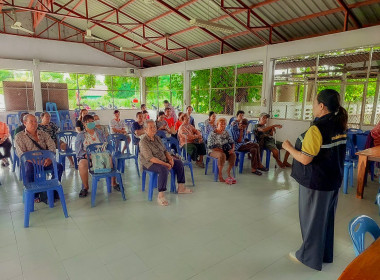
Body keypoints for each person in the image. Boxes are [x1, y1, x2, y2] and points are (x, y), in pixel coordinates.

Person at [282, 89, 348, 271]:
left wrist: (288, 147)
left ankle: (309, 257)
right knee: (326, 219)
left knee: (311, 220)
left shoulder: (316, 129)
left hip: (316, 183)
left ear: (321, 106)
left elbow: (305, 158)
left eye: (313, 103)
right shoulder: (340, 124)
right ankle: (325, 254)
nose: (313, 107)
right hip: (333, 181)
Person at [139, 119, 192, 206]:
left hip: (161, 159)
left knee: (178, 163)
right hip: (148, 163)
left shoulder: (157, 138)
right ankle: (161, 195)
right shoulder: (143, 141)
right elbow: (150, 158)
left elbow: (164, 150)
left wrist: (170, 158)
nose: (153, 129)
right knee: (163, 169)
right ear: (145, 130)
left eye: (154, 127)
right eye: (150, 127)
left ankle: (181, 188)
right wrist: (165, 164)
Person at [15, 114, 63, 202]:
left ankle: (53, 191)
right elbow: (22, 154)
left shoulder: (44, 134)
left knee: (59, 167)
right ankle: (34, 194)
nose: (34, 123)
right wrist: (35, 162)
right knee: (28, 169)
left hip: (45, 160)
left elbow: (52, 146)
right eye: (31, 121)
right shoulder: (19, 136)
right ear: (25, 123)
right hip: (30, 162)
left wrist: (49, 159)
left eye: (35, 121)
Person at [75, 115, 119, 198]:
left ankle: (113, 182)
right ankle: (85, 187)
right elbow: (78, 150)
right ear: (84, 124)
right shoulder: (81, 135)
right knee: (82, 164)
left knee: (111, 158)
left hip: (100, 154)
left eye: (92, 121)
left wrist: (104, 152)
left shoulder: (99, 132)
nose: (91, 123)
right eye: (89, 122)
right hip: (87, 157)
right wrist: (87, 155)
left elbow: (105, 144)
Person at [207, 118, 236, 182]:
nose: (223, 126)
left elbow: (232, 142)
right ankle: (220, 175)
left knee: (233, 155)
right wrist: (221, 150)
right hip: (213, 150)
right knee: (222, 155)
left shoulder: (226, 132)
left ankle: (228, 171)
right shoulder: (213, 133)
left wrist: (232, 149)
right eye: (221, 124)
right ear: (217, 124)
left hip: (224, 150)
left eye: (224, 124)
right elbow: (210, 146)